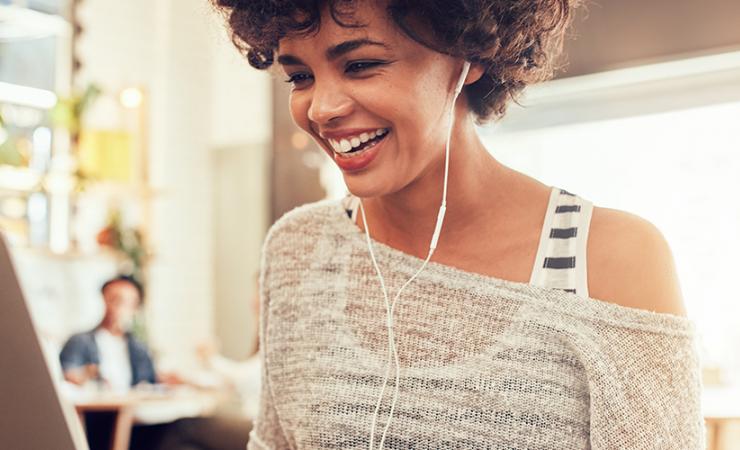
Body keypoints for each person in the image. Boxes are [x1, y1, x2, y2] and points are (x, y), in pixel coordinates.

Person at [210, 1, 704, 449]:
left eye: (360, 65)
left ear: (469, 55)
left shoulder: (608, 259)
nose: (321, 109)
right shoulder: (300, 250)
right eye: (300, 77)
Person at [59, 275, 251, 450]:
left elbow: (150, 381)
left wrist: (173, 381)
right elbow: (67, 377)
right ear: (103, 299)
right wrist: (86, 374)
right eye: (114, 299)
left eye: (127, 302)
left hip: (136, 423)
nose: (118, 307)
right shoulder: (80, 341)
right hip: (99, 424)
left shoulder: (138, 347)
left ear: (135, 308)